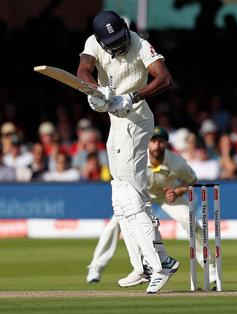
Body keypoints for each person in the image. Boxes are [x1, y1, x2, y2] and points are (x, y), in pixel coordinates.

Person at [77, 10, 175, 293]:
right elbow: (83, 70)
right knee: (121, 200)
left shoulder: (141, 45)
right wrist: (97, 91)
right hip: (116, 124)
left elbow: (164, 78)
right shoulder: (93, 44)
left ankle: (159, 265)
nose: (119, 46)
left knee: (131, 197)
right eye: (113, 41)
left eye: (121, 39)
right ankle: (142, 266)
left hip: (137, 119)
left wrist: (133, 96)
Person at [86, 127, 217, 284]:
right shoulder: (137, 158)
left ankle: (211, 269)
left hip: (166, 195)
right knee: (114, 224)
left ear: (165, 144)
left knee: (190, 222)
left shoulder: (176, 162)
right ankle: (96, 267)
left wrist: (177, 191)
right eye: (154, 141)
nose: (157, 145)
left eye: (161, 142)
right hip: (140, 195)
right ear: (148, 143)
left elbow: (192, 179)